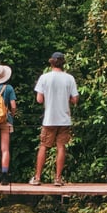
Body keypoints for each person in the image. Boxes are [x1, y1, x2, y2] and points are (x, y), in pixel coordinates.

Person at [31, 52, 78, 185]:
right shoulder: (69, 78)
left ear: (51, 62)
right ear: (63, 63)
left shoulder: (44, 78)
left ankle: (38, 178)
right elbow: (75, 99)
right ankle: (58, 178)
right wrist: (66, 97)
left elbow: (39, 99)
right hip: (64, 119)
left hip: (49, 119)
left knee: (44, 146)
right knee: (61, 147)